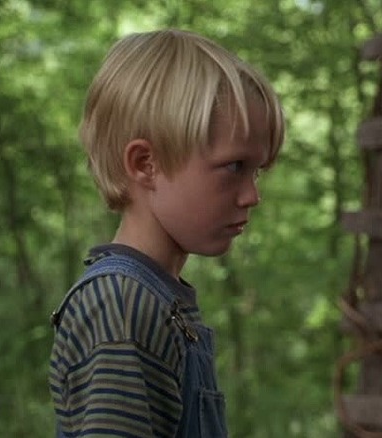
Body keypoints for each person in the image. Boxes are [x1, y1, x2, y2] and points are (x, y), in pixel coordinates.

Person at [48, 29, 284, 437]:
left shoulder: (156, 299)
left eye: (257, 171)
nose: (252, 196)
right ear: (145, 164)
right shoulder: (120, 307)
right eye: (234, 168)